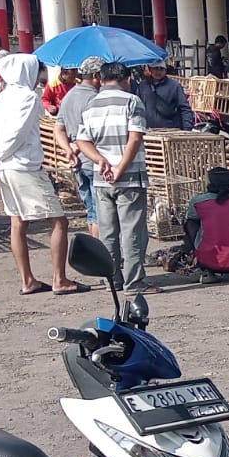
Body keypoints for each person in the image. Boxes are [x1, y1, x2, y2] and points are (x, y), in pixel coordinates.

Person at [0, 54, 85, 295]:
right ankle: (59, 279)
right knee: (59, 221)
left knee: (18, 222)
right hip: (24, 166)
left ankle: (28, 280)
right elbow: (17, 134)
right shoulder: (28, 97)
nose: (39, 77)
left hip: (5, 168)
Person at [76, 60, 154, 294]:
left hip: (102, 178)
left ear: (101, 79)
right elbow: (135, 138)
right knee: (132, 232)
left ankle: (111, 280)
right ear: (126, 79)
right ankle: (134, 283)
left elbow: (82, 141)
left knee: (108, 232)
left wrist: (100, 160)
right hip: (130, 177)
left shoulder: (91, 105)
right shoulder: (132, 101)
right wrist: (120, 167)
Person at [54, 57, 104, 238]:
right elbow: (97, 133)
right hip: (94, 160)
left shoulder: (69, 96)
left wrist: (69, 149)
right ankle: (101, 250)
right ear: (97, 76)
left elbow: (58, 129)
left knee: (91, 210)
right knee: (100, 214)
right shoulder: (95, 98)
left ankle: (95, 249)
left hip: (78, 162)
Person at [183, 167, 229, 283]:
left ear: (209, 183)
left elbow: (190, 224)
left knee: (190, 222)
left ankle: (206, 270)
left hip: (208, 260)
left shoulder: (198, 202)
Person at [135, 60, 195, 131]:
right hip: (147, 130)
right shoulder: (143, 86)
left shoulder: (175, 86)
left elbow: (184, 108)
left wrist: (187, 129)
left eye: (161, 69)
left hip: (170, 131)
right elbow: (137, 108)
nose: (158, 71)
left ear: (165, 70)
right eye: (156, 68)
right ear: (150, 69)